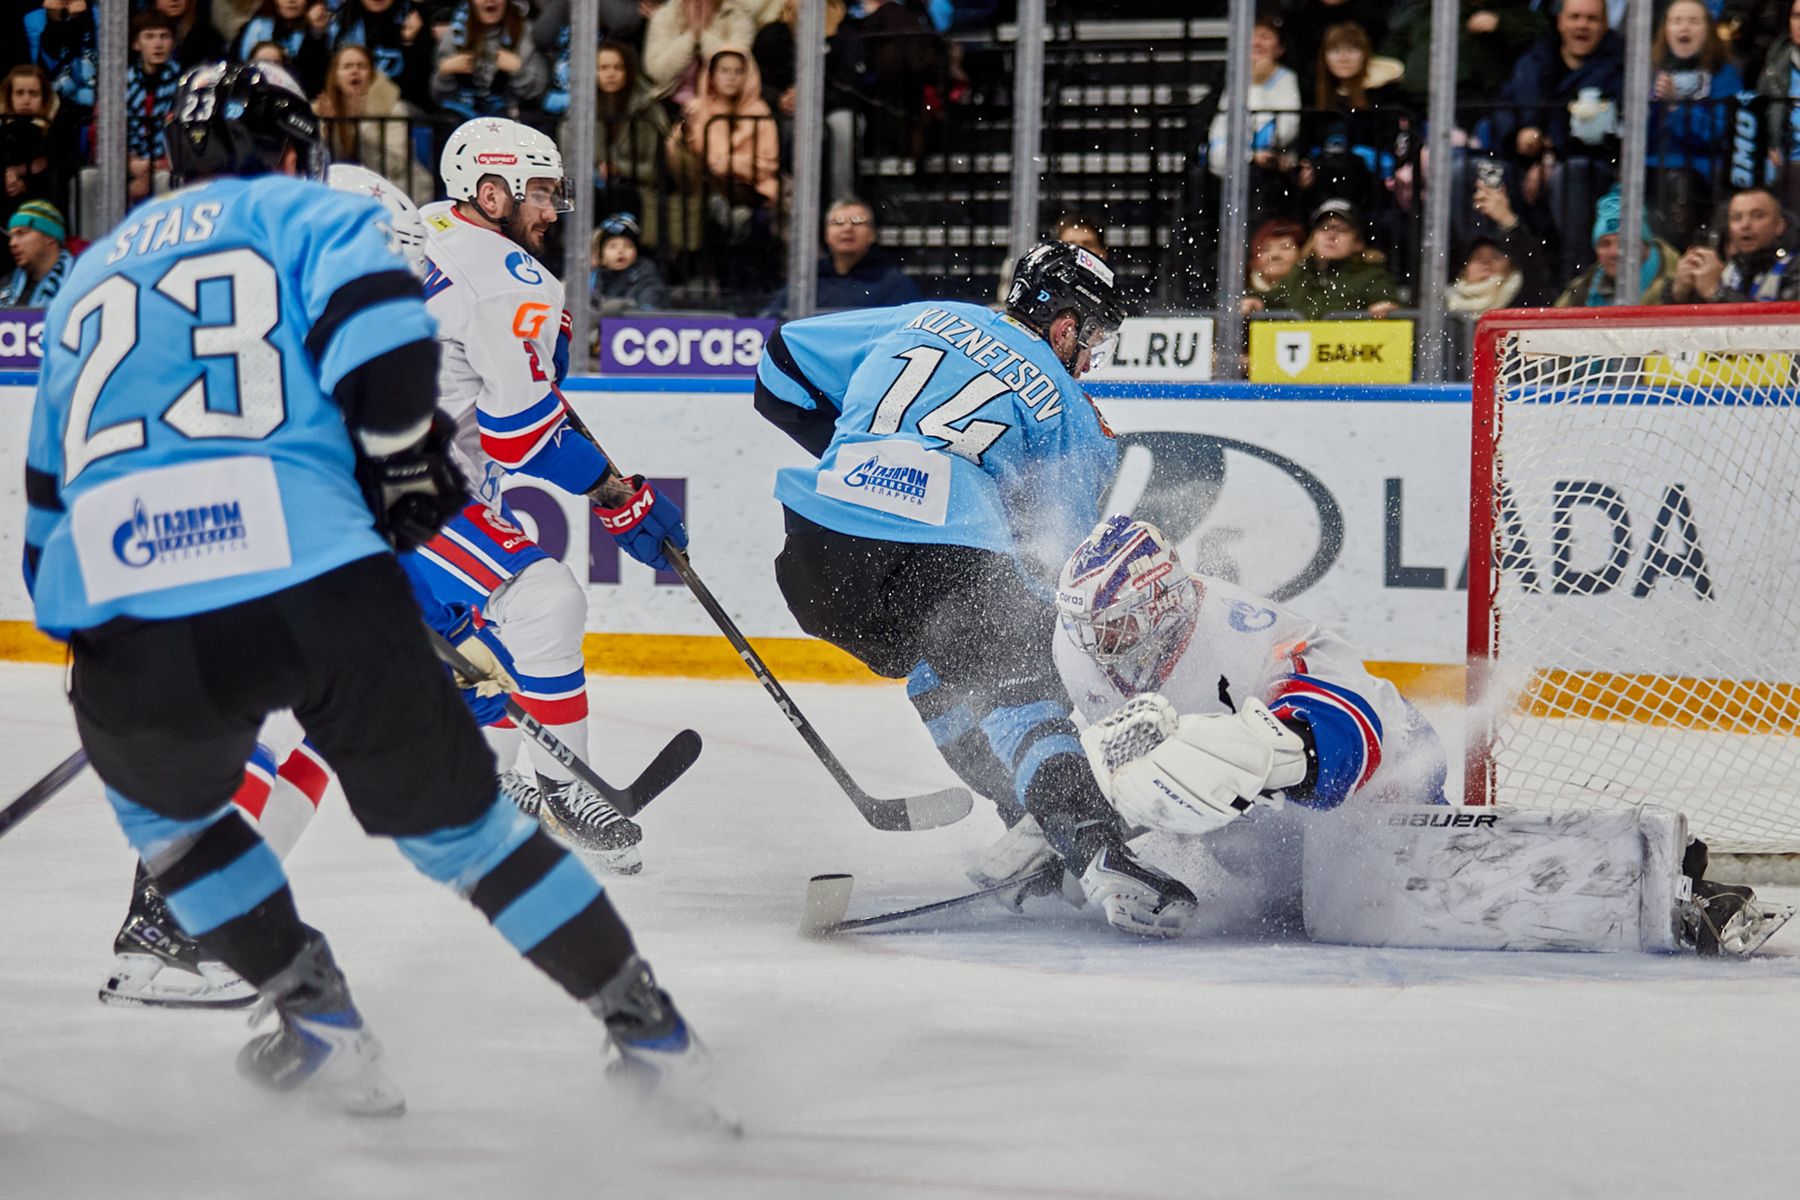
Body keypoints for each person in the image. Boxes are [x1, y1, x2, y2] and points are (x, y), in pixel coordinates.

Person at [24, 62, 716, 1114]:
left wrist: (90, 621)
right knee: (465, 825)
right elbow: (391, 372)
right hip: (309, 552)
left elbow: (43, 494)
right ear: (299, 151)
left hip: (118, 593)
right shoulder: (326, 217)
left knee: (189, 817)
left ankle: (243, 976)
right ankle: (651, 1035)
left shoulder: (89, 268)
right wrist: (400, 492)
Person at [1054, 518, 1786, 957]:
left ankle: (1664, 891)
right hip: (1262, 850)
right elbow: (1120, 754)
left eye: (1115, 628)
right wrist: (1080, 839)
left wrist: (1280, 752)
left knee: (1376, 897)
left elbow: (1359, 723)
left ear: (1164, 604)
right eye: (1091, 630)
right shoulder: (1077, 647)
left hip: (1382, 784)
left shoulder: (1244, 631)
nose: (1101, 646)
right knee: (1299, 904)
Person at [752, 244, 1201, 939]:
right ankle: (1090, 840)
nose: (1090, 356)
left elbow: (778, 365)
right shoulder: (1072, 409)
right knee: (1023, 690)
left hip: (818, 555)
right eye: (1094, 337)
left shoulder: (927, 317)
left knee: (945, 667)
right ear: (1063, 326)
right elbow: (1065, 555)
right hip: (941, 550)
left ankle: (1029, 820)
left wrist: (866, 453)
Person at [410, 116, 688, 871]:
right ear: (490, 192)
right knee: (544, 601)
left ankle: (486, 787)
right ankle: (566, 793)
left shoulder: (429, 223)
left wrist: (535, 368)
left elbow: (496, 390)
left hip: (345, 474)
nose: (550, 210)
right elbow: (521, 437)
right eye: (538, 192)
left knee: (489, 647)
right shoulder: (510, 277)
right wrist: (615, 496)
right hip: (401, 488)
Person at [1489, 0, 1624, 282]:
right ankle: (1488, 274)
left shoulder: (1619, 65)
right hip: (1526, 166)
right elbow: (1504, 106)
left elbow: (1609, 131)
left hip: (1593, 170)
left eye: (1592, 19)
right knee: (1470, 174)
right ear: (1561, 21)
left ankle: (1575, 280)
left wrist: (1551, 154)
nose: (1582, 25)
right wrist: (1518, 135)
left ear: (1604, 25)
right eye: (1575, 17)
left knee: (1571, 175)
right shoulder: (1534, 60)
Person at [1646, 0, 1741, 244]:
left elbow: (1719, 133)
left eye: (1693, 21)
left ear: (1708, 29)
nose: (1684, 28)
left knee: (1679, 184)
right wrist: (1654, 106)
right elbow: (1637, 134)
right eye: (1676, 21)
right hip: (1652, 167)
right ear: (1665, 29)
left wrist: (1676, 107)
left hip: (1702, 170)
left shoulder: (1725, 74)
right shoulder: (1649, 72)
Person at [1206, 8, 1301, 221]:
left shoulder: (1286, 79)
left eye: (1265, 37)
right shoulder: (1232, 81)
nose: (1257, 43)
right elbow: (1219, 135)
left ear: (1279, 47)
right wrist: (1247, 155)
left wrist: (1258, 83)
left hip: (1272, 169)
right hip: (1232, 168)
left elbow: (1286, 128)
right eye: (1252, 36)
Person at [1241, 199, 1400, 319]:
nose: (1331, 235)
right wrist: (1256, 299)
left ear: (1357, 242)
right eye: (1323, 228)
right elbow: (1275, 298)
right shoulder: (1300, 273)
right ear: (1314, 237)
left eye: (1342, 230)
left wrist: (1385, 306)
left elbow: (1386, 299)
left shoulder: (1371, 275)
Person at [762, 196, 920, 316]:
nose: (847, 228)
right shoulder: (809, 279)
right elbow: (772, 318)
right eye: (837, 222)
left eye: (857, 222)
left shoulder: (892, 283)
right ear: (826, 234)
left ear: (872, 234)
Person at [313, 43, 430, 204]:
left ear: (372, 74)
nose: (354, 71)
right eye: (347, 66)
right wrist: (329, 128)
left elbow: (395, 166)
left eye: (361, 66)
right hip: (340, 192)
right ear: (335, 77)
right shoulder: (320, 110)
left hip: (395, 189)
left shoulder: (393, 109)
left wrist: (358, 127)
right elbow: (319, 164)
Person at [1667, 184, 1800, 303]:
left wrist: (1717, 293)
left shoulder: (1794, 268)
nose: (1745, 225)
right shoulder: (1725, 268)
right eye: (1737, 217)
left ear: (1779, 225)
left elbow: (1781, 326)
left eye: (1758, 215)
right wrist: (1680, 294)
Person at [1555, 187, 1678, 306]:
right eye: (1605, 244)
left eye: (1624, 243)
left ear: (1645, 245)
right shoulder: (1581, 291)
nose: (1615, 252)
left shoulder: (1678, 286)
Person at [430, 0, 547, 121]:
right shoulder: (453, 34)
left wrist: (519, 71)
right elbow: (436, 96)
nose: (490, 1)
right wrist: (445, 73)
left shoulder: (525, 32)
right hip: (461, 117)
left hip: (510, 118)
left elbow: (538, 94)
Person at [126, 10, 183, 204]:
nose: (157, 44)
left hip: (168, 166)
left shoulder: (185, 84)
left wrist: (155, 166)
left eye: (164, 36)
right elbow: (111, 130)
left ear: (173, 43)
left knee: (162, 181)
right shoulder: (122, 83)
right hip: (129, 165)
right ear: (136, 44)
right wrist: (130, 162)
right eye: (149, 37)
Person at [591, 211, 668, 315]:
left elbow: (649, 307)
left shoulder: (645, 274)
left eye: (628, 246)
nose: (621, 251)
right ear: (601, 256)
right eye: (612, 246)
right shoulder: (593, 277)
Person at [0, 199, 72, 306]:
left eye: (21, 233)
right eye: (11, 237)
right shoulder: (7, 285)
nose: (12, 243)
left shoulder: (76, 281)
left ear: (50, 237)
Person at [1247, 217, 1304, 297]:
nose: (1275, 255)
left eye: (1285, 247)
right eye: (1266, 249)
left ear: (1300, 254)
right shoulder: (1238, 290)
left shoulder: (1310, 292)